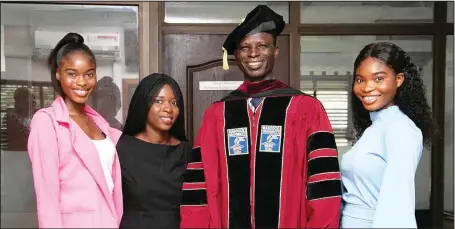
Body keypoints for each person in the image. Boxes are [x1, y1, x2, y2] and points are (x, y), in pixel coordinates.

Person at [180, 5, 341, 228]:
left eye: (262, 46)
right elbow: (199, 185)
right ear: (236, 55)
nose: (253, 54)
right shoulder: (217, 114)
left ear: (275, 50)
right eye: (245, 48)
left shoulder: (306, 109)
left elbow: (323, 183)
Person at [27, 32, 123, 228]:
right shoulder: (47, 122)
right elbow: (47, 196)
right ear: (58, 74)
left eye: (89, 74)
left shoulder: (102, 124)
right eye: (72, 74)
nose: (81, 82)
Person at [340, 42, 435, 228]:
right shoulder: (373, 128)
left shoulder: (401, 129)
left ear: (399, 79)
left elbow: (397, 205)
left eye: (378, 79)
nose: (367, 88)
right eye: (360, 80)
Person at [117, 73, 192, 229]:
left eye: (174, 102)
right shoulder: (122, 148)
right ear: (144, 104)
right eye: (159, 101)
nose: (168, 109)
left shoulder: (187, 152)